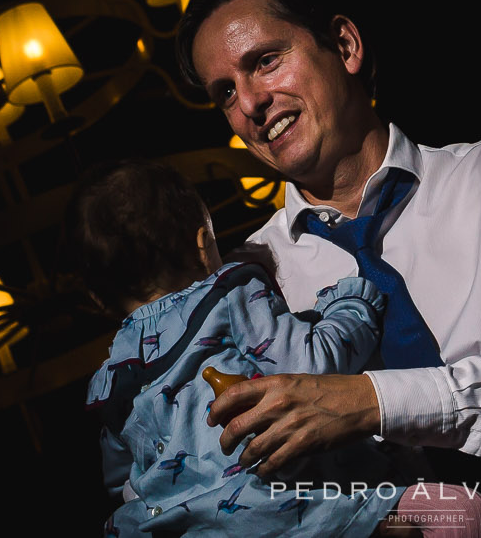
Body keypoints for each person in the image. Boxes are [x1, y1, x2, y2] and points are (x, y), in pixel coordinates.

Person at [174, 0, 481, 535]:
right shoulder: (245, 283)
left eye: (265, 61)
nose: (249, 103)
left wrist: (370, 401)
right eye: (225, 93)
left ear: (344, 45)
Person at [71, 158, 419, 536]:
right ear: (204, 247)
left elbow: (119, 479)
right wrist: (351, 303)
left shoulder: (106, 383)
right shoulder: (226, 295)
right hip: (298, 511)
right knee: (461, 514)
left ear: (98, 299)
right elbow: (312, 364)